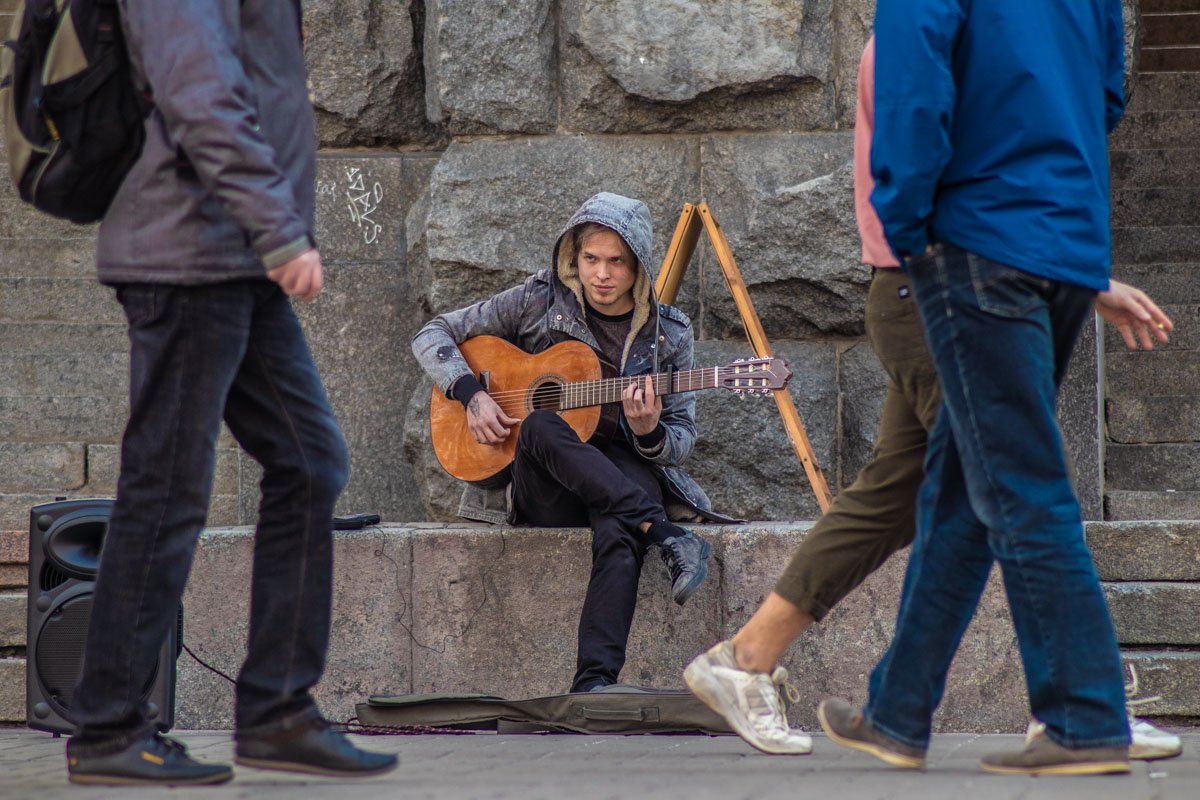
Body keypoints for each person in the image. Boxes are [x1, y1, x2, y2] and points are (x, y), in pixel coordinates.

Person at [684, 30, 1180, 766]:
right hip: (936, 286)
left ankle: (771, 667)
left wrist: (1076, 270)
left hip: (977, 276)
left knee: (912, 490)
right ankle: (1084, 702)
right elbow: (944, 144)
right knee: (1014, 478)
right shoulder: (927, 37)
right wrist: (932, 254)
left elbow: (1079, 114)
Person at [810, 0, 1160, 775]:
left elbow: (913, 95)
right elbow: (1108, 92)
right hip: (1064, 241)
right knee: (966, 485)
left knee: (1021, 483)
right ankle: (898, 711)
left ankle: (1084, 717)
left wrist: (906, 228)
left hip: (974, 242)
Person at [64, 0, 397, 786]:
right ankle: (110, 725)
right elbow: (197, 89)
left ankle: (277, 712)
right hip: (188, 254)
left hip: (231, 257)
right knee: (167, 487)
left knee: (311, 461)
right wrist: (277, 229)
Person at [412, 192, 729, 693]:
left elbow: (683, 438)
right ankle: (666, 534)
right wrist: (470, 393)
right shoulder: (537, 300)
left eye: (616, 262)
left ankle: (593, 684)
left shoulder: (669, 334)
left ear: (638, 267)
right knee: (539, 425)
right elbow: (432, 333)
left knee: (620, 530)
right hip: (550, 485)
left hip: (621, 465)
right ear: (574, 257)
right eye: (590, 260)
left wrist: (649, 433)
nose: (601, 274)